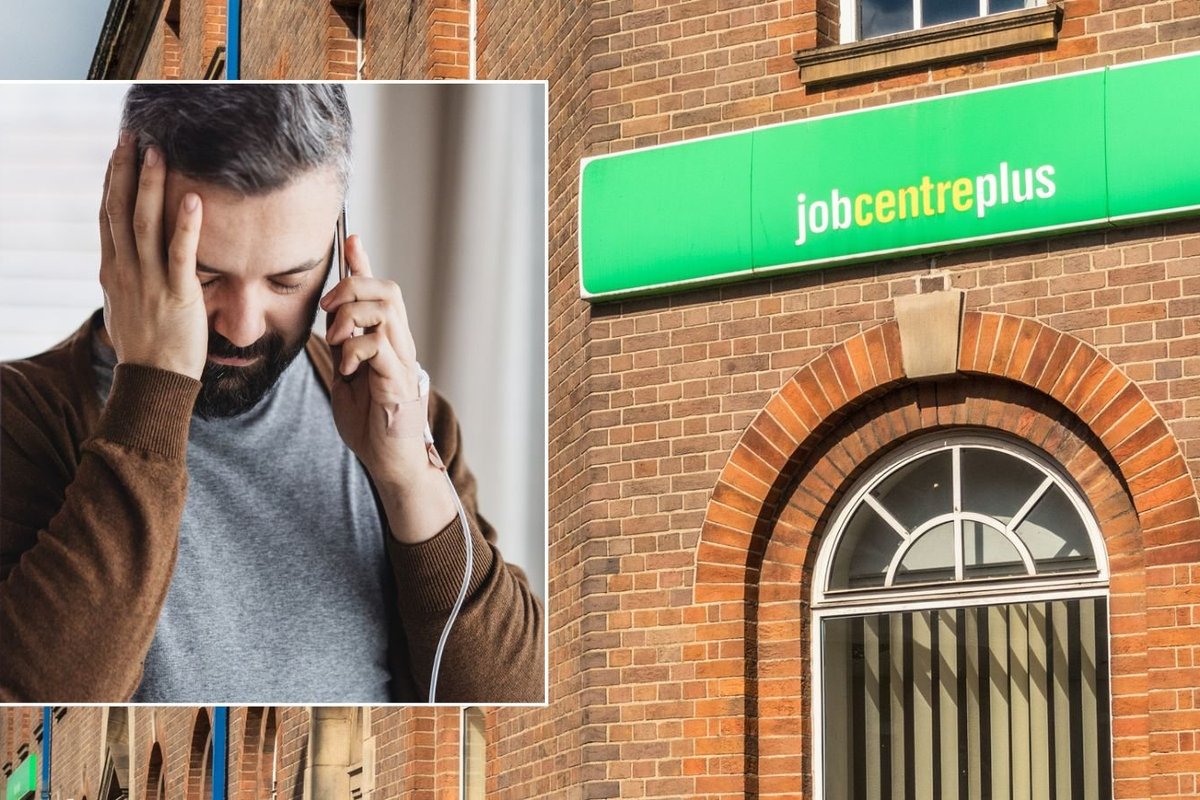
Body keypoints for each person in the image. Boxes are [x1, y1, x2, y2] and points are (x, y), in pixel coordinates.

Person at [0, 85, 543, 703]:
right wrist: (152, 390)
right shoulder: (19, 424)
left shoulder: (405, 421)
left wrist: (410, 480)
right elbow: (30, 725)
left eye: (288, 280)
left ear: (337, 241)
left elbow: (518, 718)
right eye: (203, 275)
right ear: (125, 226)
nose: (243, 327)